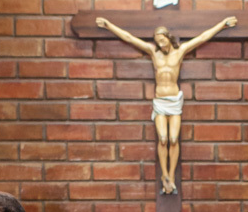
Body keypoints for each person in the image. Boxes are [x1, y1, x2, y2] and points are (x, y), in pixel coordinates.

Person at [94, 18, 237, 194]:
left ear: (168, 38)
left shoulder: (180, 51)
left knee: (173, 139)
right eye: (157, 41)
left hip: (174, 101)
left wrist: (222, 24)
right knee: (163, 138)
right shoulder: (154, 52)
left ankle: (171, 175)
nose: (160, 44)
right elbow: (129, 37)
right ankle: (164, 175)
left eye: (162, 40)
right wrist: (108, 24)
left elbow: (202, 37)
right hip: (160, 101)